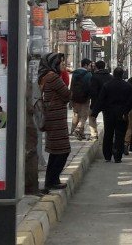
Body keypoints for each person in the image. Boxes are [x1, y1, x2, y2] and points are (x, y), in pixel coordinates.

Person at [37, 52, 71, 193]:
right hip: (55, 118)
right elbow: (67, 95)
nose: (62, 65)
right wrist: (63, 75)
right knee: (63, 151)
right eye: (60, 63)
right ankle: (51, 180)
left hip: (53, 117)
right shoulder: (53, 77)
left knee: (56, 151)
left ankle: (52, 181)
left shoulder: (46, 76)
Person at [91, 67, 132, 163]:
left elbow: (100, 100)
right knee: (120, 135)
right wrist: (126, 111)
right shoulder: (127, 86)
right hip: (122, 114)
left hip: (108, 113)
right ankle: (118, 156)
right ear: (122, 75)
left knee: (108, 134)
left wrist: (95, 112)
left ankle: (107, 155)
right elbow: (131, 101)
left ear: (113, 74)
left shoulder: (107, 85)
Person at [70, 58, 93, 140]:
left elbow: (72, 86)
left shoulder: (75, 73)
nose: (90, 67)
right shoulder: (88, 74)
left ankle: (76, 132)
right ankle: (78, 129)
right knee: (84, 116)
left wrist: (70, 98)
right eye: (90, 65)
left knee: (76, 114)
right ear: (86, 65)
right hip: (85, 98)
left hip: (75, 97)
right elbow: (90, 87)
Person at [88, 60, 112, 139]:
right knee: (107, 120)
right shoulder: (110, 77)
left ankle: (94, 134)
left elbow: (93, 91)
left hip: (96, 102)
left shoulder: (94, 77)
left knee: (92, 117)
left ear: (96, 67)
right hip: (108, 102)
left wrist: (93, 103)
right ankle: (108, 134)